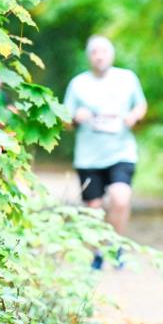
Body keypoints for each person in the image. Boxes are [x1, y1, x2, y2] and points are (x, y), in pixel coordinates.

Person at [64, 35, 147, 270]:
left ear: (111, 55)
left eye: (103, 52)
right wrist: (74, 118)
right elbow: (64, 121)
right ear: (89, 57)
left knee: (121, 198)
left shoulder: (127, 78)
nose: (99, 56)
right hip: (89, 156)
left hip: (121, 151)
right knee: (94, 208)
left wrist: (134, 116)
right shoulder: (78, 84)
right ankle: (99, 250)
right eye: (94, 52)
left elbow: (141, 105)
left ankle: (116, 246)